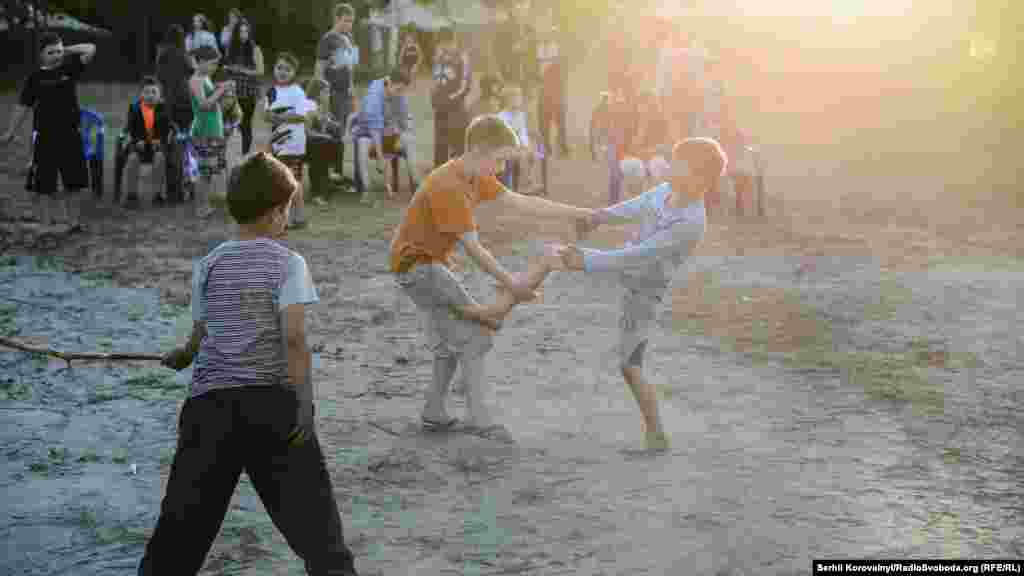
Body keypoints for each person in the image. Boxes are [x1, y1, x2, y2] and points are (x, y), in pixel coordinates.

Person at [138, 152, 360, 576]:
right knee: (319, 533)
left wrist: (184, 355)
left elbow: (203, 330)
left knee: (180, 531)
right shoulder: (289, 264)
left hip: (210, 410)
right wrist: (304, 404)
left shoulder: (209, 264)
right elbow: (294, 339)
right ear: (278, 212)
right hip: (271, 407)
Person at [389, 114, 594, 439]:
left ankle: (434, 411)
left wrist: (578, 213)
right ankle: (479, 419)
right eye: (498, 161)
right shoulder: (449, 185)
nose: (500, 170)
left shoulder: (473, 177)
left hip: (424, 266)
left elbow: (521, 203)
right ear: (480, 150)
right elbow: (474, 248)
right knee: (475, 338)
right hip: (420, 268)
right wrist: (512, 283)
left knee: (450, 343)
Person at [557, 137, 726, 452]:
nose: (670, 168)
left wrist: (587, 260)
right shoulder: (666, 192)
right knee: (629, 363)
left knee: (630, 365)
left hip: (646, 293)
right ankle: (656, 434)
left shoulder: (691, 222)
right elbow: (633, 207)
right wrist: (598, 217)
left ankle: (657, 436)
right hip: (631, 273)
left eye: (679, 165)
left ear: (701, 179)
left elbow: (641, 256)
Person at [1, 32, 96, 231]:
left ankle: (73, 223)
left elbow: (91, 48)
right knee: (44, 186)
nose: (56, 55)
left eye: (58, 51)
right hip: (45, 137)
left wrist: (65, 50)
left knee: (74, 183)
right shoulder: (34, 78)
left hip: (71, 135)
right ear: (41, 55)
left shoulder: (70, 68)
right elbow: (22, 107)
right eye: (50, 52)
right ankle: (45, 225)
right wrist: (10, 132)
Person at [264, 52, 317, 230]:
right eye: (279, 68)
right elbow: (266, 115)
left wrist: (282, 117)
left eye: (287, 69)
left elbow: (301, 116)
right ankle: (285, 217)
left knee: (293, 180)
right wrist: (275, 118)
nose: (282, 72)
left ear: (294, 72)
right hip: (278, 143)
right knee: (280, 180)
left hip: (293, 143)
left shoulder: (297, 92)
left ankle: (299, 216)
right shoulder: (271, 91)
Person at [350, 68, 417, 205]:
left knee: (409, 140)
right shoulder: (374, 94)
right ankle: (366, 190)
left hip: (388, 132)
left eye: (403, 90)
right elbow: (374, 129)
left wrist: (403, 131)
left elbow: (403, 119)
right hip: (368, 132)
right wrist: (380, 157)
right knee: (362, 144)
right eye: (399, 90)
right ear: (389, 83)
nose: (401, 93)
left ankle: (416, 186)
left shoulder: (398, 93)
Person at [316, 3, 359, 184]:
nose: (349, 25)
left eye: (351, 21)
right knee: (333, 132)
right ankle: (329, 174)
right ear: (336, 19)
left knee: (343, 134)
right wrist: (321, 92)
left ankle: (338, 173)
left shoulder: (349, 37)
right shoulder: (327, 39)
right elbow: (319, 68)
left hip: (346, 93)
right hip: (332, 93)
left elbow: (351, 67)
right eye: (346, 21)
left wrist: (352, 88)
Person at [189, 45, 233, 219]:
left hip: (214, 130)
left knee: (215, 168)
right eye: (212, 64)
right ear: (200, 62)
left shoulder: (205, 78)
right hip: (204, 131)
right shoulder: (195, 80)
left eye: (216, 64)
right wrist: (222, 90)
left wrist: (219, 87)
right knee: (205, 171)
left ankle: (210, 203)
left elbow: (211, 98)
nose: (215, 67)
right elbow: (204, 104)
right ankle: (201, 207)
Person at [119, 76, 170, 208]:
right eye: (146, 92)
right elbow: (130, 128)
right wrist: (136, 141)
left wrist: (160, 140)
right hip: (138, 145)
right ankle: (131, 196)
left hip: (157, 145)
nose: (150, 96)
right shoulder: (135, 108)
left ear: (159, 95)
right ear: (141, 95)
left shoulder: (164, 109)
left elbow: (168, 128)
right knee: (132, 159)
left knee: (159, 158)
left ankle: (158, 195)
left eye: (154, 92)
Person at [431, 29, 472, 167]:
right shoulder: (439, 57)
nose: (441, 48)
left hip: (456, 109)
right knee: (440, 145)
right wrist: (434, 97)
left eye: (443, 44)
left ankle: (461, 178)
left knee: (457, 145)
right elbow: (436, 81)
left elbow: (465, 86)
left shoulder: (462, 57)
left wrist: (449, 99)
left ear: (451, 42)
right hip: (440, 109)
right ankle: (438, 178)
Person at [223, 19, 265, 156]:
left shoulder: (255, 48)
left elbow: (260, 71)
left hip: (248, 90)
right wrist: (228, 69)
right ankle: (226, 155)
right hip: (233, 90)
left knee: (246, 123)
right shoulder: (231, 48)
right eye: (241, 31)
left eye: (246, 31)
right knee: (232, 124)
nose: (244, 34)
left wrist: (242, 70)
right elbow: (226, 67)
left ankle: (245, 155)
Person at [304, 78, 345, 207]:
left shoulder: (322, 106)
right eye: (326, 92)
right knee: (322, 144)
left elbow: (332, 127)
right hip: (303, 144)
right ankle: (319, 193)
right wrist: (324, 134)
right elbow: (307, 132)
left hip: (316, 143)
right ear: (317, 93)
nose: (329, 94)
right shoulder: (309, 106)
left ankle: (333, 176)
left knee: (337, 141)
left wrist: (327, 123)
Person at [155, 24, 195, 139]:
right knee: (185, 128)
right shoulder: (183, 54)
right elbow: (191, 72)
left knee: (170, 126)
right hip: (184, 96)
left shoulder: (163, 53)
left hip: (169, 96)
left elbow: (159, 75)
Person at [536, 23, 569, 159]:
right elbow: (534, 67)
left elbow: (563, 68)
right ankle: (546, 145)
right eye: (544, 34)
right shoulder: (537, 48)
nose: (547, 36)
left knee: (560, 116)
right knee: (544, 117)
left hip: (556, 85)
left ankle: (561, 145)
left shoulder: (558, 48)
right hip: (542, 86)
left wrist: (562, 86)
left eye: (550, 34)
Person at [496, 84, 537, 193]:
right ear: (507, 100)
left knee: (528, 153)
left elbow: (522, 132)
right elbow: (503, 136)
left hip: (517, 146)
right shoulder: (502, 116)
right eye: (516, 97)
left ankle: (524, 183)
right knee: (517, 157)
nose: (519, 100)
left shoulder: (521, 115)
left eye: (519, 97)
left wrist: (526, 145)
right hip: (505, 146)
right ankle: (517, 185)